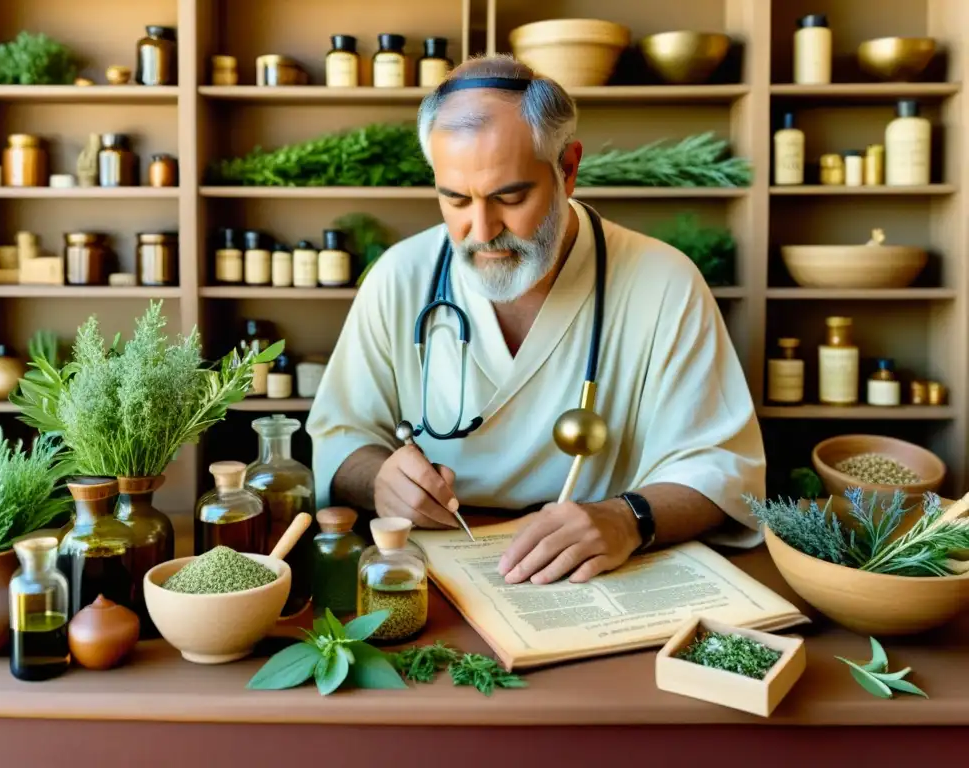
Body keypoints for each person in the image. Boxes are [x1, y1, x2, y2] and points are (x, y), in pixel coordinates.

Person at [306, 54, 766, 587]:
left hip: (599, 572)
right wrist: (379, 480)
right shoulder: (399, 276)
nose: (481, 230)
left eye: (510, 196)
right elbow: (341, 438)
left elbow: (721, 469)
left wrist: (628, 518)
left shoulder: (664, 282)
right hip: (437, 571)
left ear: (567, 168)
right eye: (454, 198)